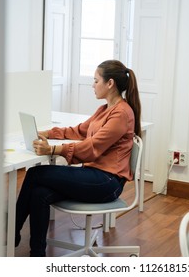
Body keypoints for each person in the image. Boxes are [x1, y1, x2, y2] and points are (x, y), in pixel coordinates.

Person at [15, 60, 141, 256]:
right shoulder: (104, 109)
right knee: (40, 193)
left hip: (107, 182)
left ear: (110, 84)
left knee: (35, 174)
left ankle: (13, 230)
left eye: (95, 80)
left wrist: (53, 149)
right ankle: (36, 255)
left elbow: (92, 148)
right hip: (93, 175)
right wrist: (47, 133)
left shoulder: (122, 114)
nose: (92, 85)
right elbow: (79, 131)